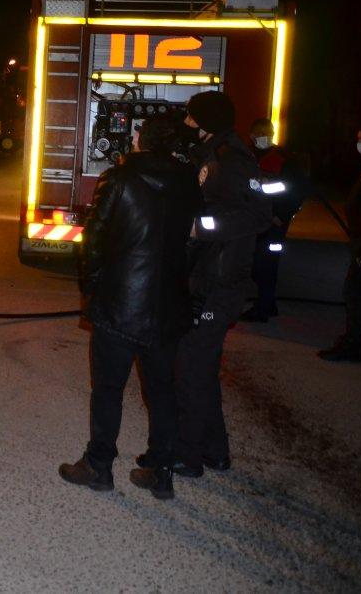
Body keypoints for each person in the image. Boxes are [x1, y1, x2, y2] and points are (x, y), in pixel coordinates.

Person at [59, 116, 202, 500]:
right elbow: (195, 241)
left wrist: (93, 291)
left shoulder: (117, 179)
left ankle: (98, 466)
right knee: (162, 391)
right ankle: (161, 472)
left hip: (120, 306)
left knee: (108, 389)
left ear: (141, 140)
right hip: (167, 308)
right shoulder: (189, 182)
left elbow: (92, 241)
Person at [175, 91, 271, 478]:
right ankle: (215, 451)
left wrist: (201, 228)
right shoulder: (213, 153)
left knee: (191, 370)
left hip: (219, 283)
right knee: (201, 369)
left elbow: (259, 214)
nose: (186, 121)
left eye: (191, 115)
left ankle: (188, 456)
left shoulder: (232, 159)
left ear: (205, 120)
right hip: (206, 277)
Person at [242, 118, 308, 322]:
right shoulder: (247, 156)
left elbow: (298, 190)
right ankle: (268, 304)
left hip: (274, 223)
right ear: (252, 135)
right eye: (259, 132)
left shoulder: (284, 159)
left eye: (267, 131)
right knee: (254, 265)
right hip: (253, 221)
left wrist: (282, 216)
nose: (264, 136)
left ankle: (263, 308)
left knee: (267, 265)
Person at [318, 126, 361, 362]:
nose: (360, 144)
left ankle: (353, 344)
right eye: (359, 139)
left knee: (356, 294)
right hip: (360, 243)